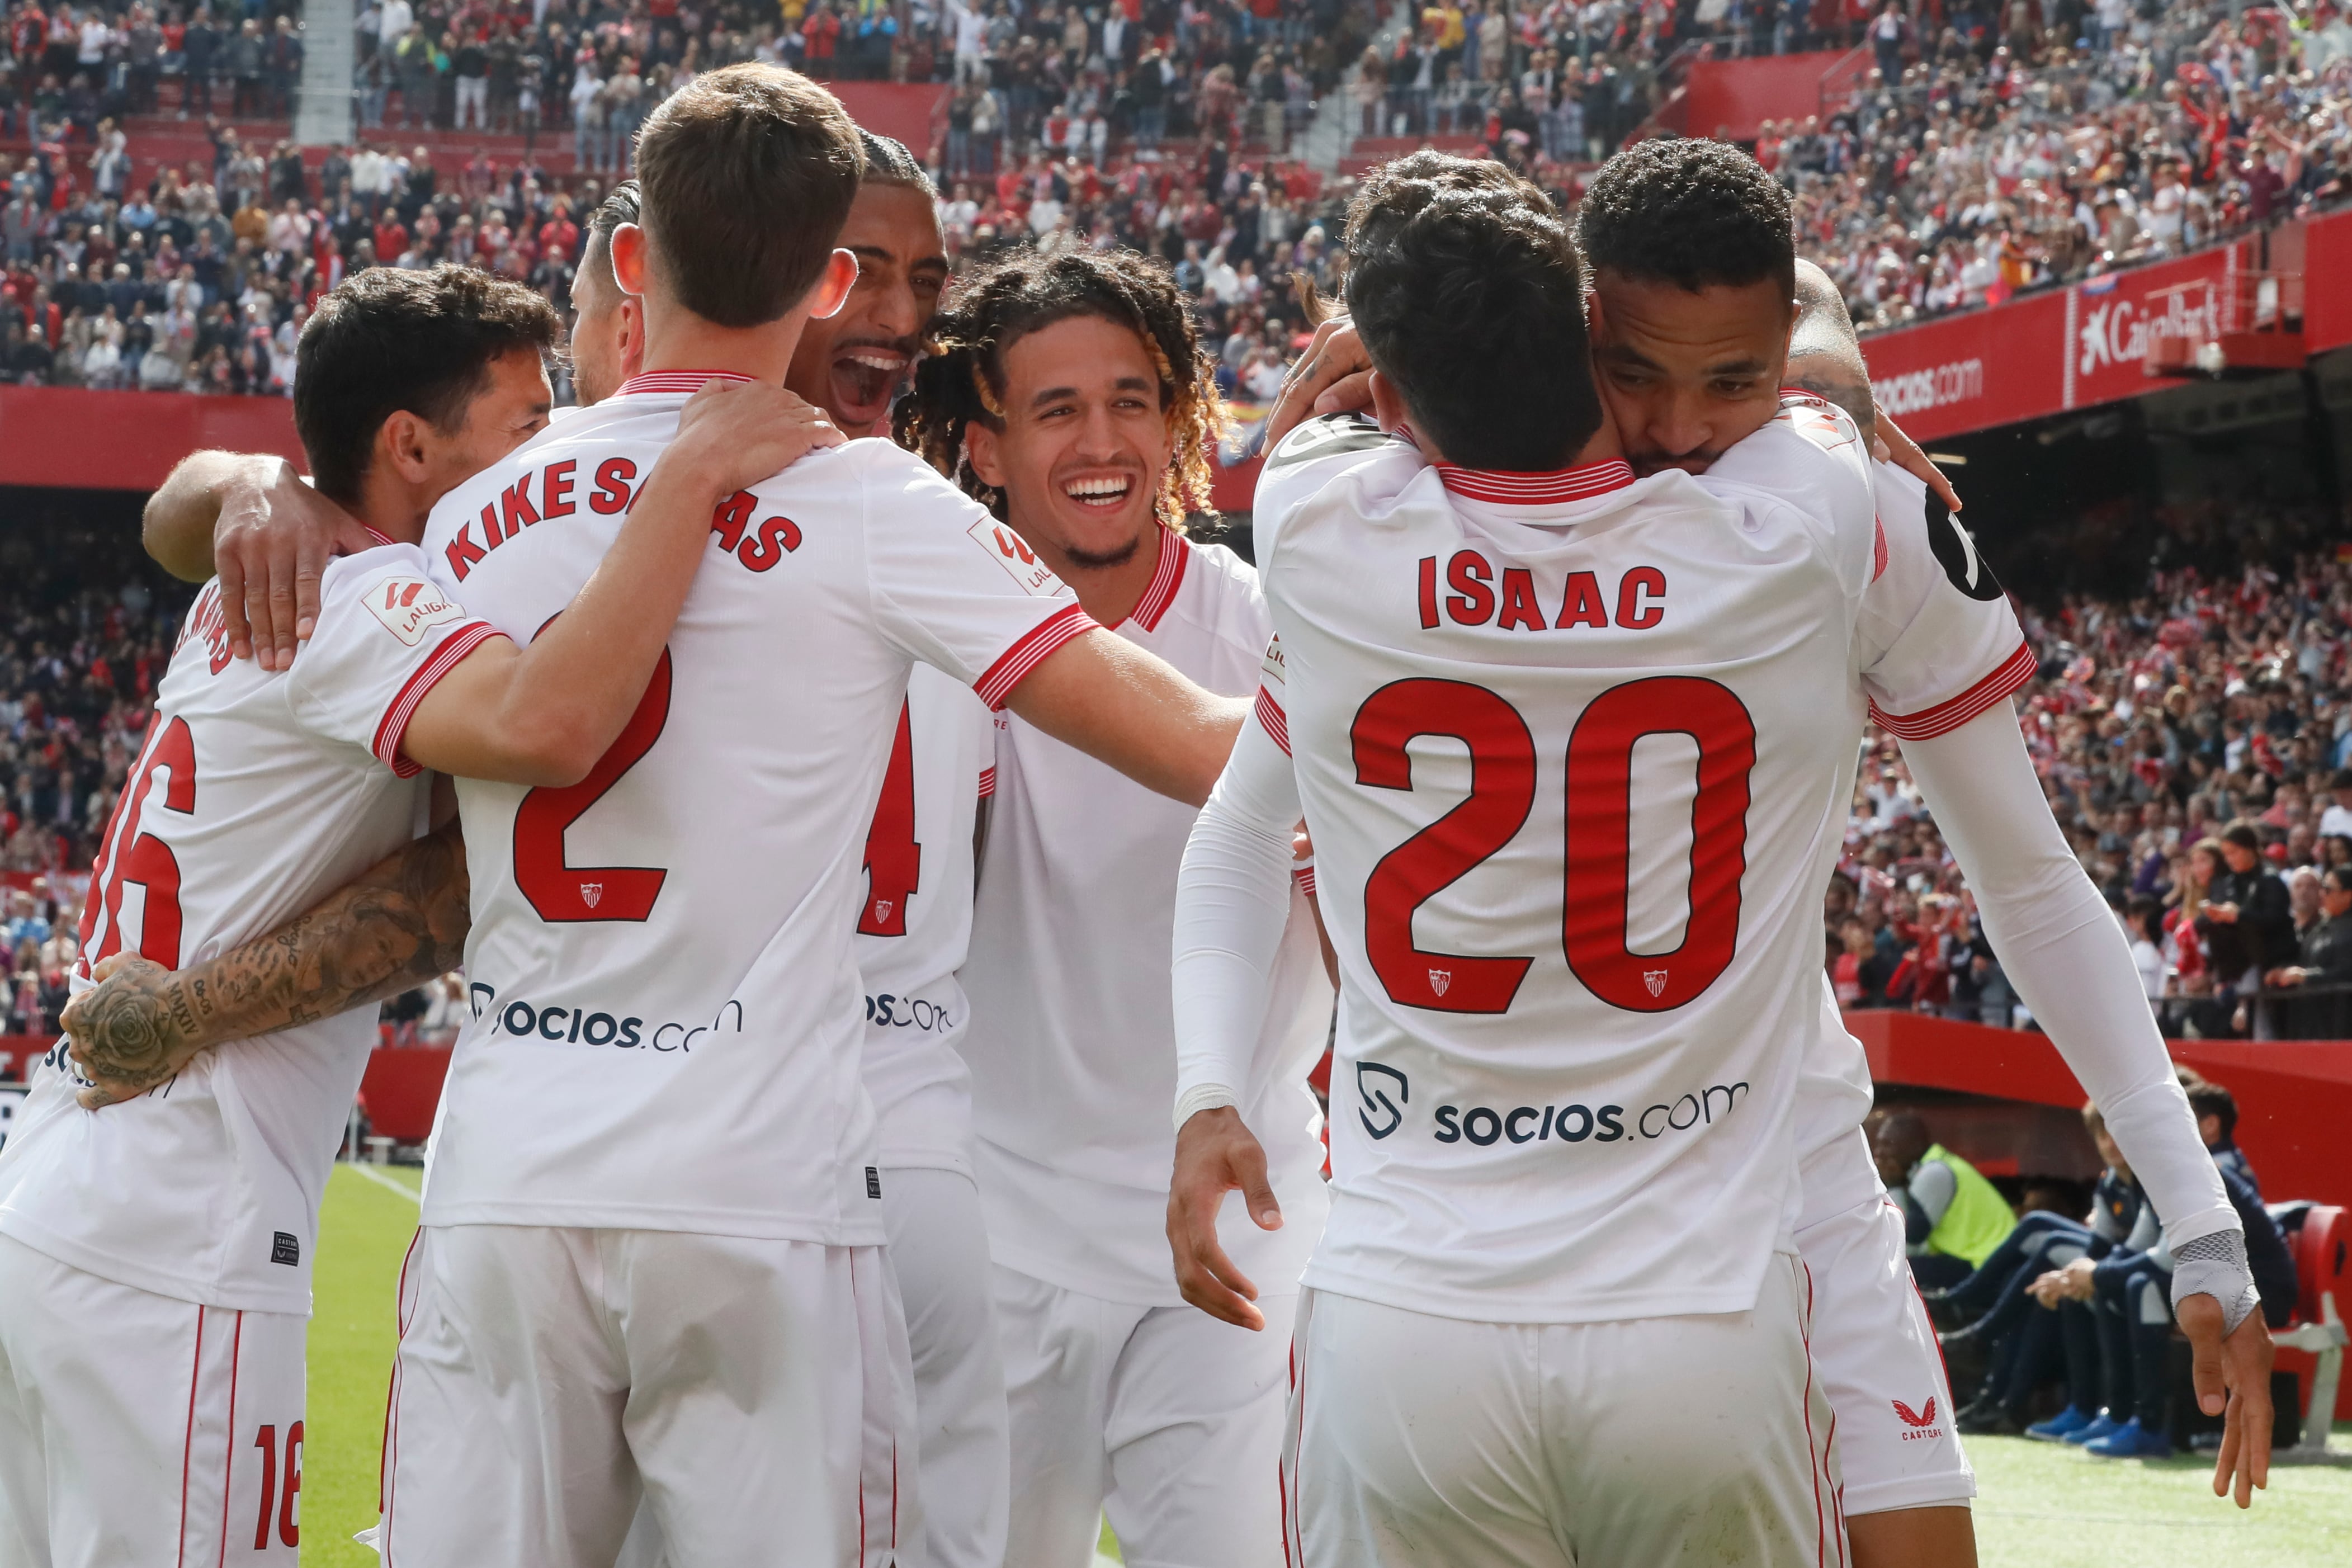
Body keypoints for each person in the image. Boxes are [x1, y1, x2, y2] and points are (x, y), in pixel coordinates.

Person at [73, 65, 1250, 1566]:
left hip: (511, 1174)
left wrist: (262, 486)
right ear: (828, 280)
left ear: (632, 263)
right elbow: (1200, 745)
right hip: (762, 1187)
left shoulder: (465, 503)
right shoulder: (880, 507)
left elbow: (224, 532)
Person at [1175, 145, 2272, 1566]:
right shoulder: (1825, 504)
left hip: (1722, 1189)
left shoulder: (1330, 515)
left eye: (1731, 383)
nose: (1687, 427)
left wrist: (2193, 1216)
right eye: (1635, 372)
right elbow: (2027, 880)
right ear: (1571, 334)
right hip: (1699, 1256)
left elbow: (2023, 873)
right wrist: (1819, 367)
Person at [1, 263, 830, 1568]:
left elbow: (182, 508)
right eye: (518, 422)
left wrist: (250, 479)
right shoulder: (376, 594)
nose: (545, 447)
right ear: (407, 445)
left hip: (70, 1189)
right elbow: (544, 731)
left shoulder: (257, 578)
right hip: (182, 1221)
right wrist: (685, 486)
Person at [896, 246, 1333, 1568]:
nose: (1101, 442)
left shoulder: (1274, 627)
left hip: (1240, 1228)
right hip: (996, 1236)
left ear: (1180, 421)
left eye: (1131, 400)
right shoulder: (921, 647)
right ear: (982, 444)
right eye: (1055, 409)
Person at [1874, 1111, 2011, 1291]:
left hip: (1984, 1263)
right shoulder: (1935, 1164)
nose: (1879, 1152)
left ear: (1914, 1147)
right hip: (1981, 1258)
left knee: (1892, 1268)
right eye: (1878, 1144)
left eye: (1888, 1145)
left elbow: (1909, 1241)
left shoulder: (1935, 1173)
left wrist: (1894, 1184)